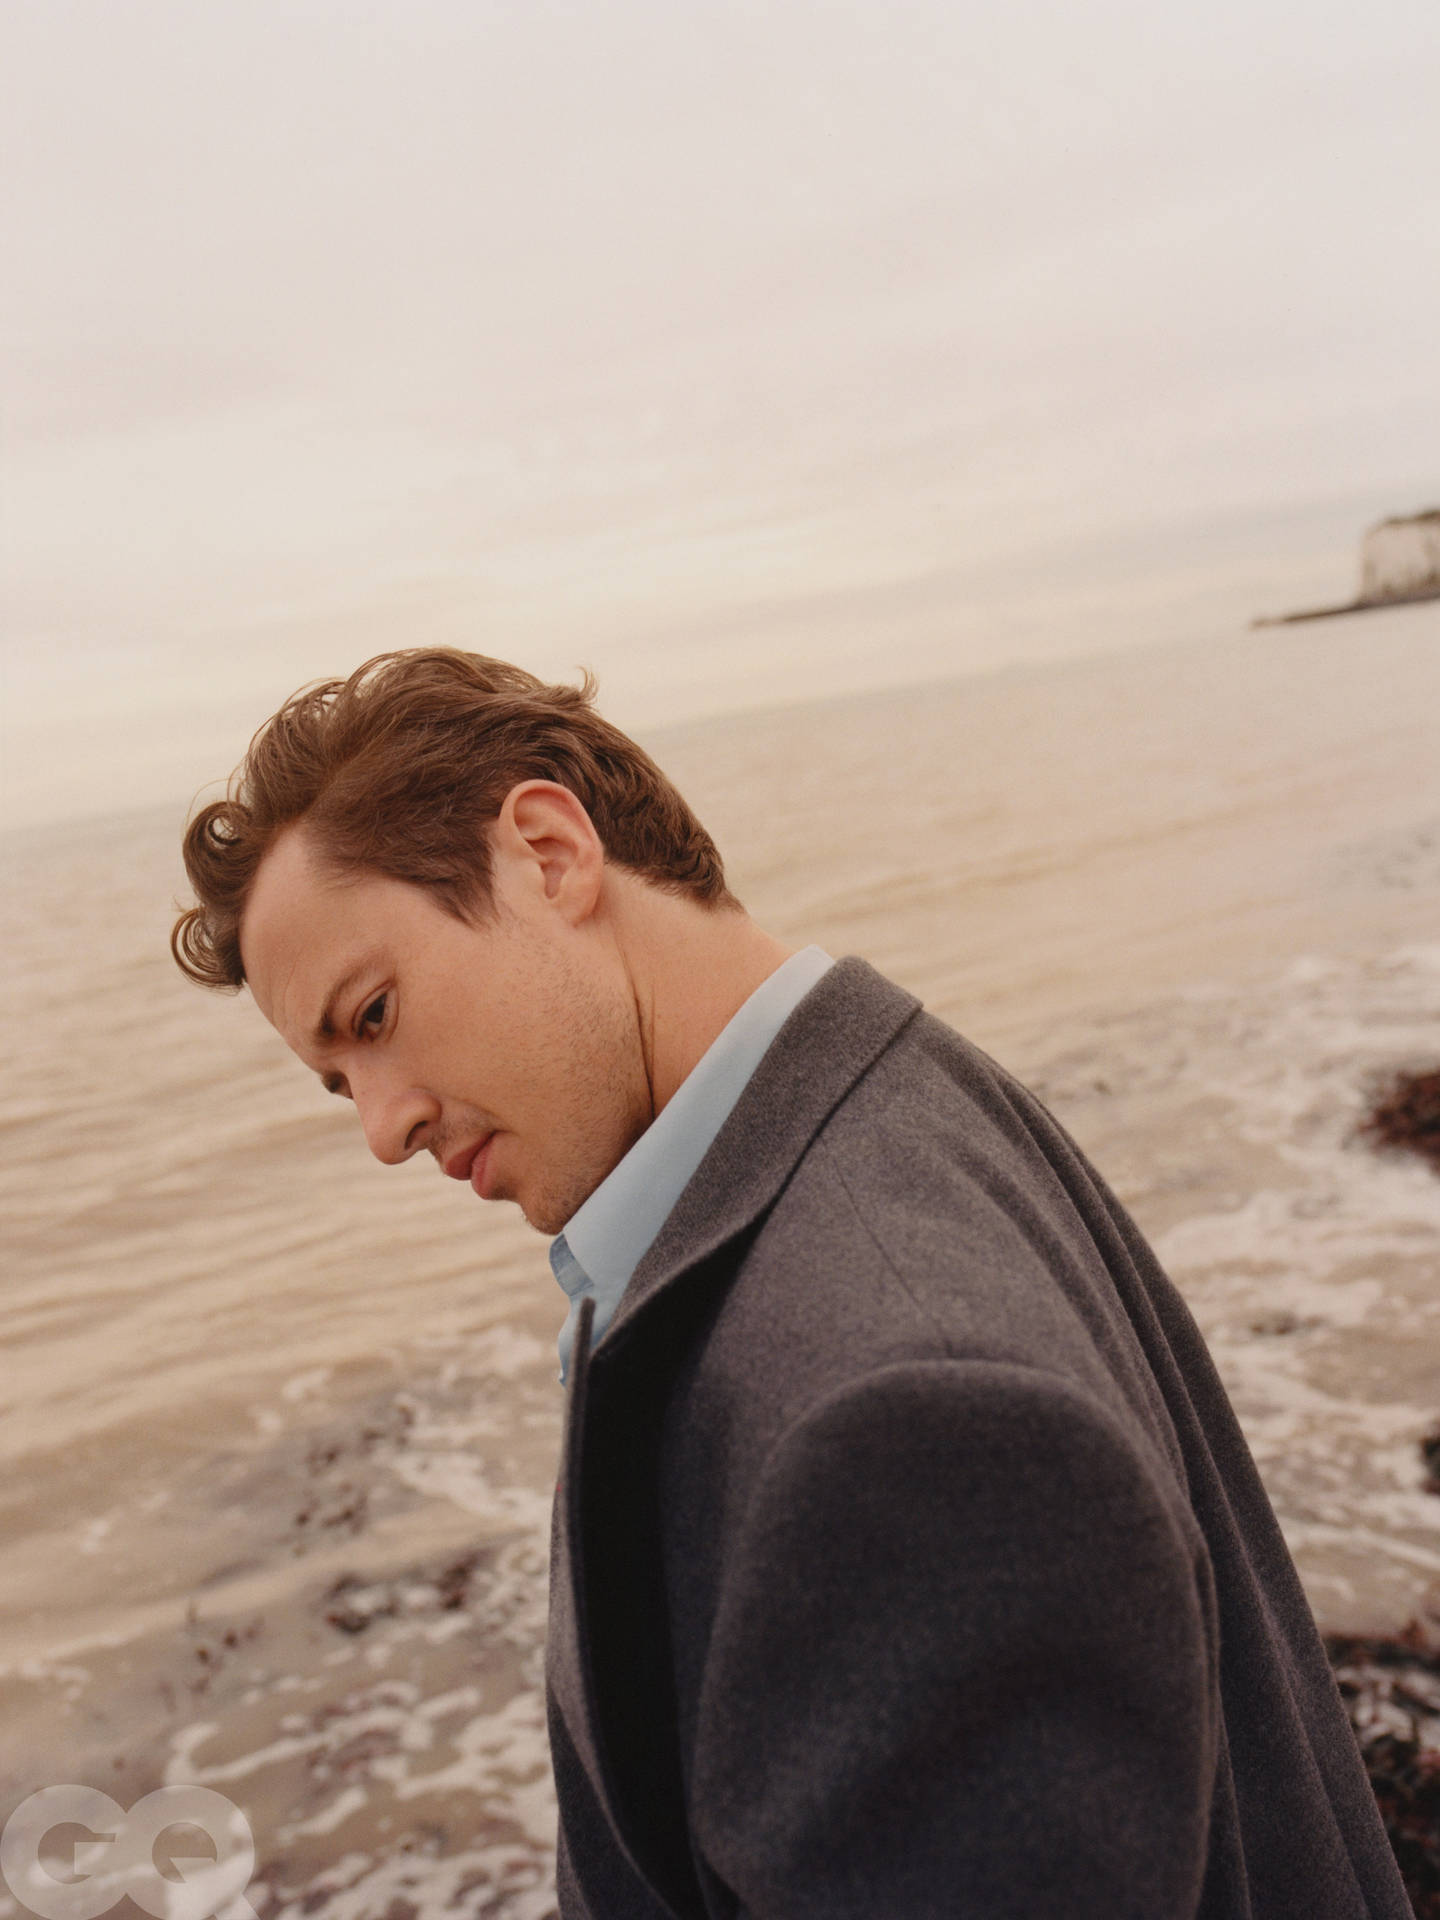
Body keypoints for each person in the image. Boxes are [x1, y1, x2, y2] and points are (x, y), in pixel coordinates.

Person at [171, 647, 1411, 1920]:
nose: (381, 1129)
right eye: (338, 1085)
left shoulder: (899, 1418)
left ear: (548, 853)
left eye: (372, 1016)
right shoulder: (896, 1094)